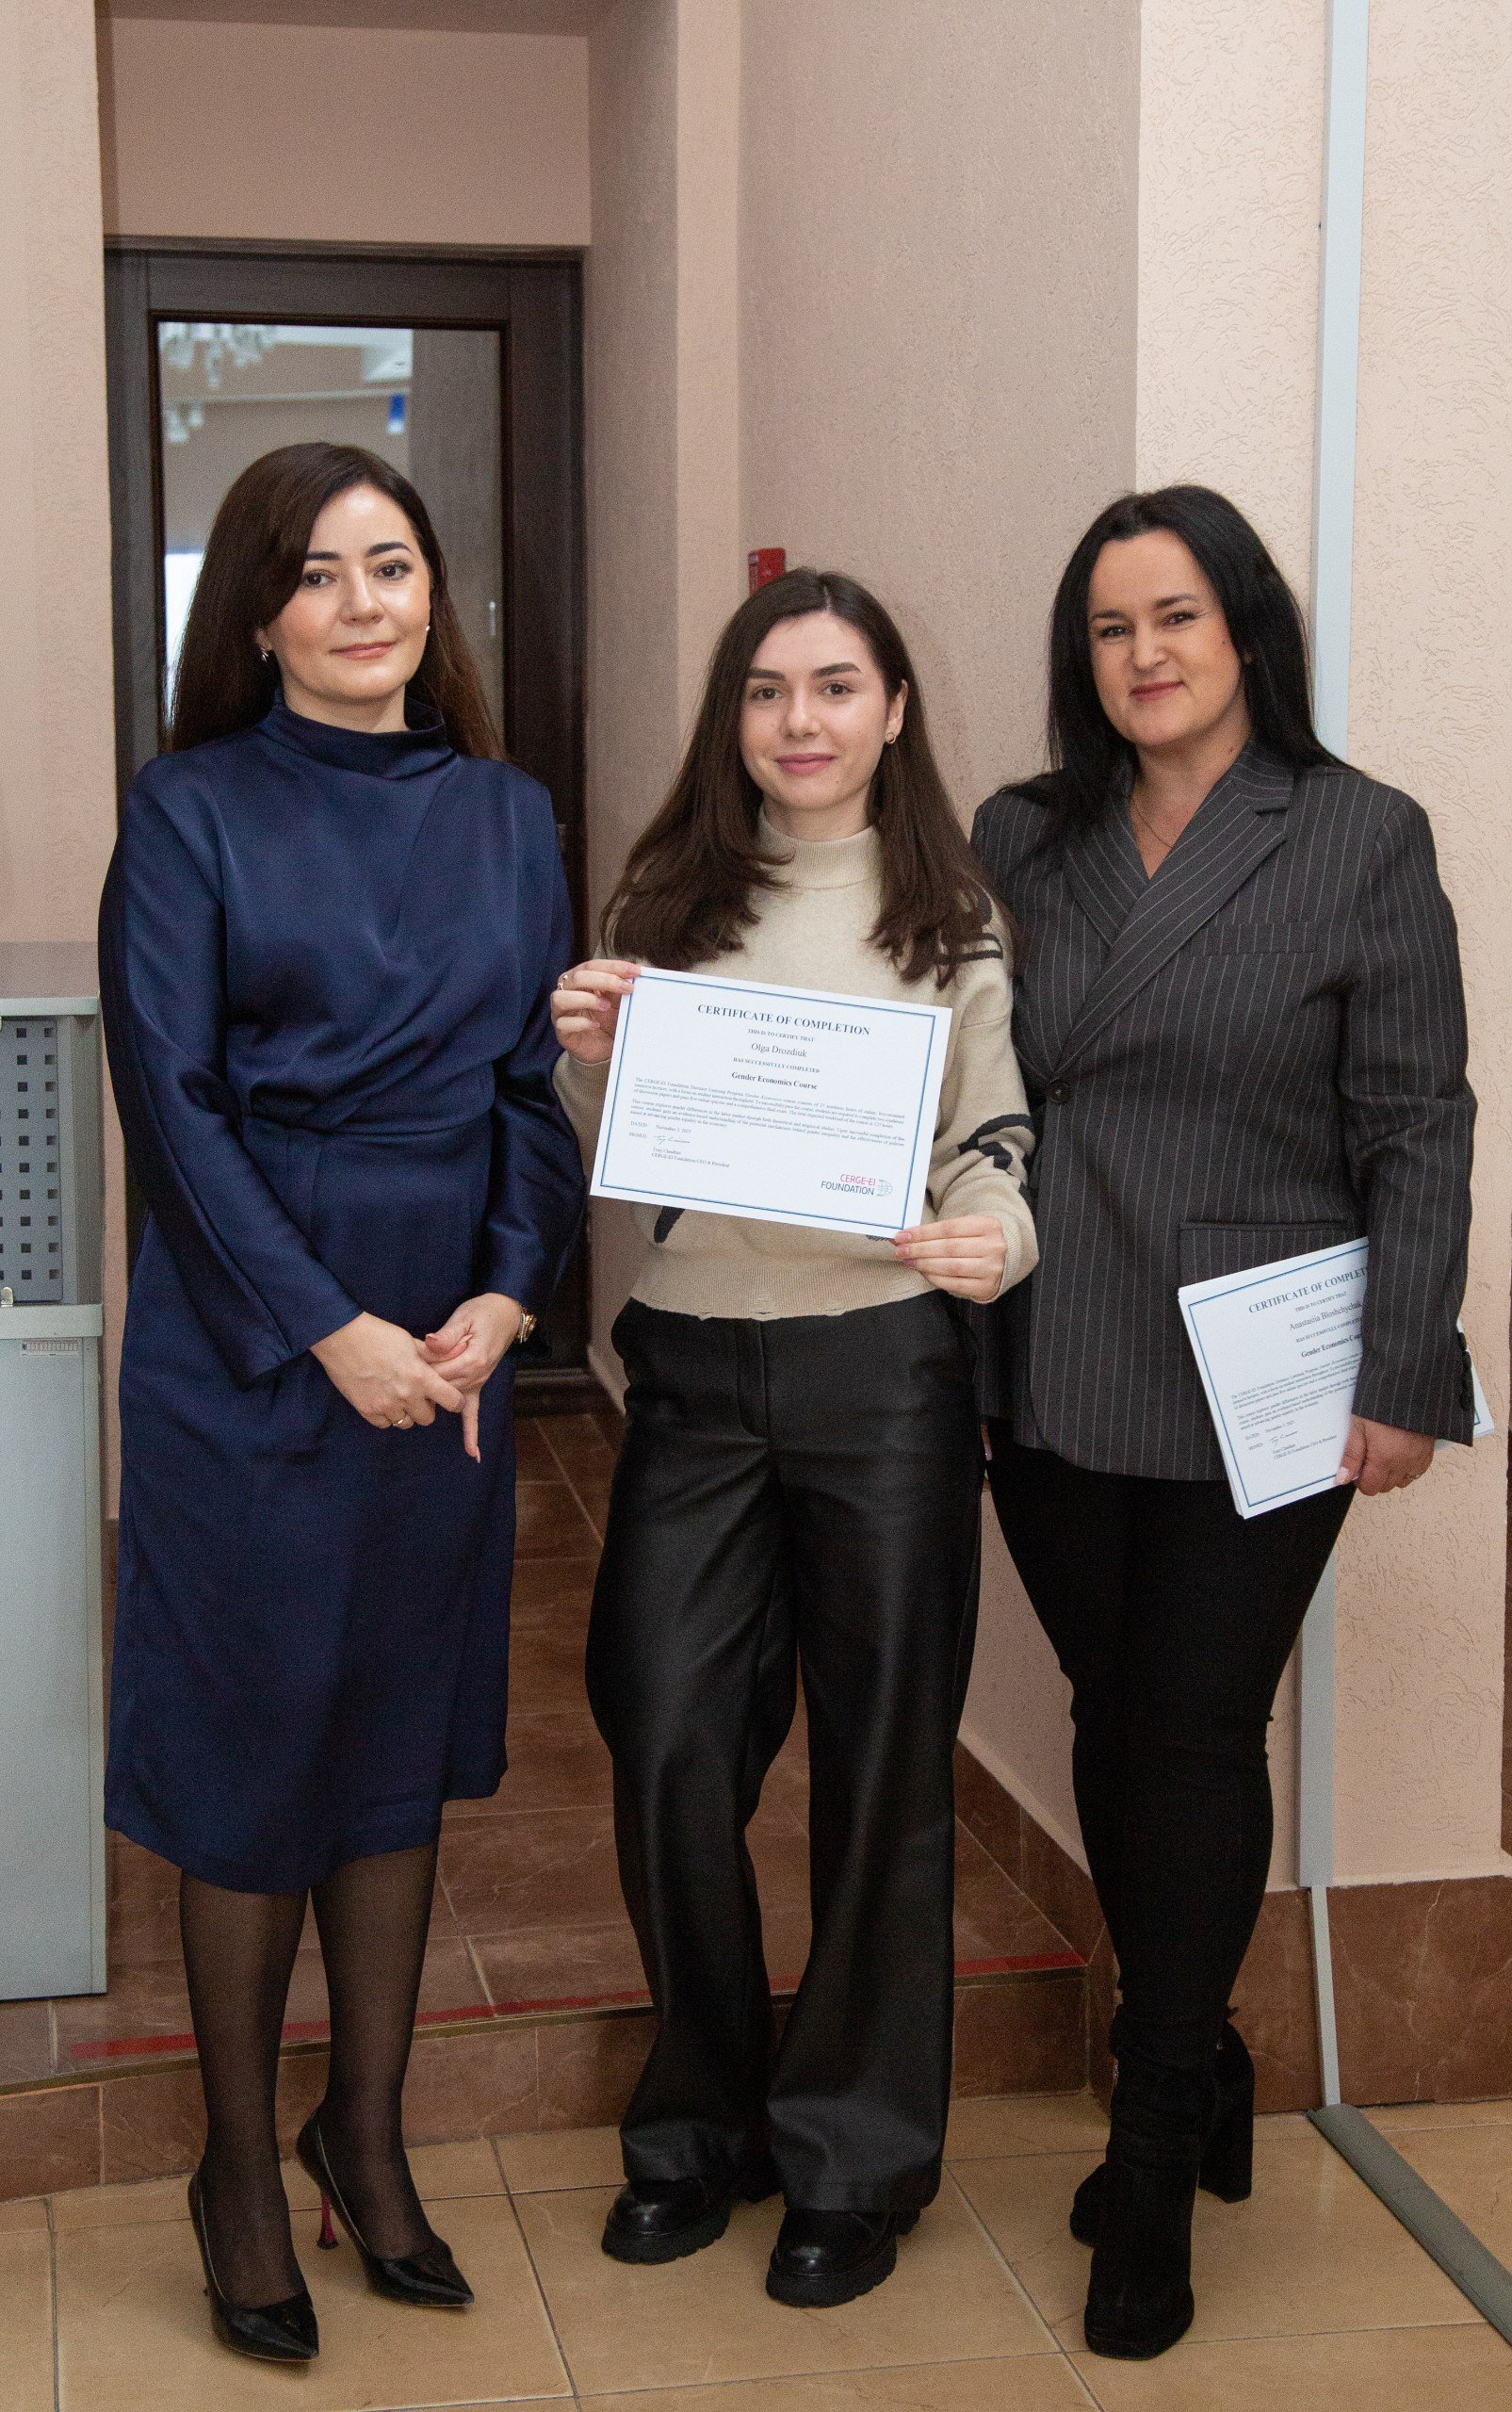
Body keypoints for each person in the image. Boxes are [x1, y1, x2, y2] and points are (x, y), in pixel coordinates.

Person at [969, 485, 1475, 2362]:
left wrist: (1401, 1368)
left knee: (1188, 1726)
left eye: (1174, 614)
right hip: (1048, 1344)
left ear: (1246, 626)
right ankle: (1210, 2050)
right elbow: (936, 1047)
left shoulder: (1356, 834)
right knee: (1116, 1715)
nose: (1144, 654)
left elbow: (1415, 1118)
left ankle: (1154, 2131)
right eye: (1109, 627)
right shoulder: (1021, 834)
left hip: (1257, 1368)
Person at [99, 442, 584, 2364]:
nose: (363, 601)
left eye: (391, 564)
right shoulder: (189, 808)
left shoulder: (508, 814)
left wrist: (505, 1294)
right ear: (259, 613)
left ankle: (362, 2136)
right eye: (317, 572)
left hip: (448, 1336)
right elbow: (172, 1103)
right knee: (253, 1751)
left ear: (431, 594)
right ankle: (237, 2166)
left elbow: (526, 1091)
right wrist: (326, 1328)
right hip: (254, 1342)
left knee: (393, 1734)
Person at [551, 568, 1037, 2308]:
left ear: (893, 710)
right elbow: (628, 1141)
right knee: (667, 1736)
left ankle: (853, 2156)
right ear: (732, 718)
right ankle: (701, 2118)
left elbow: (990, 1138)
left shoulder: (948, 911)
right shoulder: (668, 896)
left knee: (883, 1767)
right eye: (766, 690)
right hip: (696, 1366)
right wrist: (588, 1055)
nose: (800, 721)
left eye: (835, 686)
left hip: (881, 1373)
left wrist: (996, 1236)